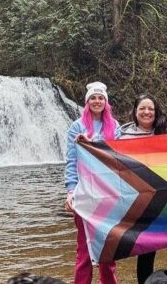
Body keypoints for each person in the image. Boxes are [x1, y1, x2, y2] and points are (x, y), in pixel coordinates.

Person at [120, 93, 167, 284]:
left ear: (156, 112)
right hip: (142, 203)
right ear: (135, 112)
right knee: (145, 253)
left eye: (151, 109)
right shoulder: (121, 138)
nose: (147, 112)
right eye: (142, 109)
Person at [64, 81, 120, 284]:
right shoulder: (77, 127)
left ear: (106, 102)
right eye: (93, 98)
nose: (97, 101)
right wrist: (70, 191)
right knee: (84, 250)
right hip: (84, 194)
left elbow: (120, 161)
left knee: (108, 249)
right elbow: (71, 161)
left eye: (101, 98)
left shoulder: (115, 127)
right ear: (87, 102)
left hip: (108, 195)